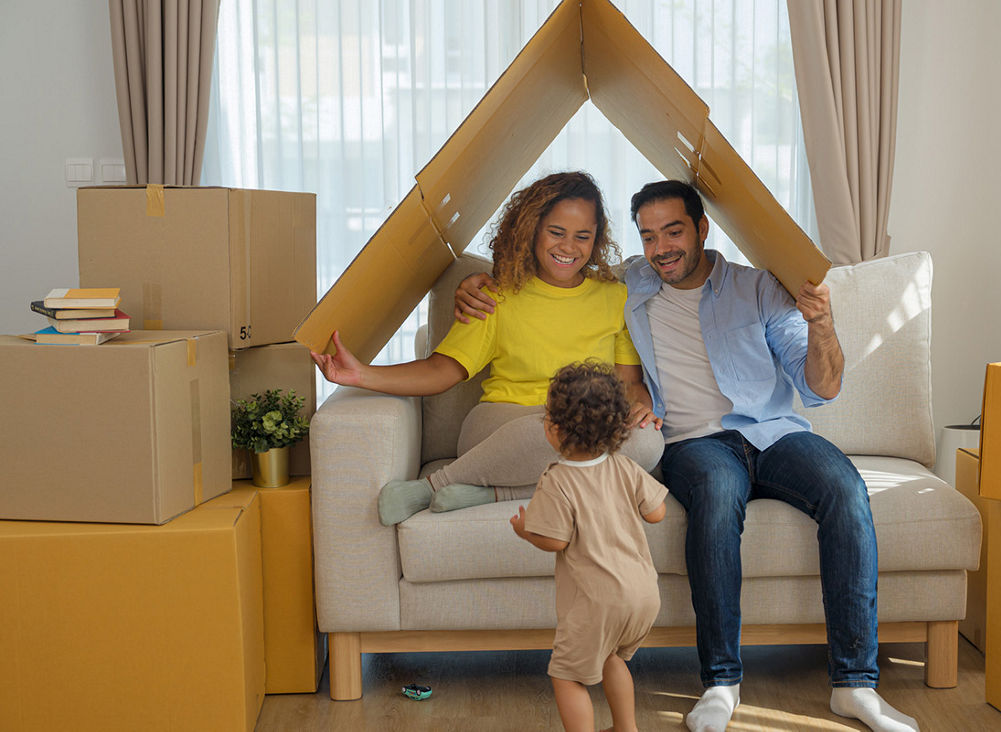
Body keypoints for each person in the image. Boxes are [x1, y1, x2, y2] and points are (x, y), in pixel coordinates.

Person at [455, 180, 918, 732]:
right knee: (718, 500)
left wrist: (821, 323)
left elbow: (823, 386)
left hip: (775, 434)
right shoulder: (630, 283)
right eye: (649, 236)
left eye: (673, 231)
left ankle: (855, 685)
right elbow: (559, 265)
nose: (661, 248)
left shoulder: (759, 288)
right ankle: (721, 683)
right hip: (692, 442)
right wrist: (474, 280)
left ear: (701, 228)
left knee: (845, 488)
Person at [312, 171, 664, 524]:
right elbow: (441, 370)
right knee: (555, 431)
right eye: (557, 233)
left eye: (582, 236)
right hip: (501, 429)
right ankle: (435, 486)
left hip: (579, 429)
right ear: (532, 230)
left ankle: (494, 493)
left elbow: (629, 382)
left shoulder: (615, 296)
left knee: (649, 444)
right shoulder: (493, 296)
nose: (568, 247)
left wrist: (641, 410)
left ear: (596, 240)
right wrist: (361, 374)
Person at [510, 361, 668, 732]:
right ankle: (625, 728)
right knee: (611, 657)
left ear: (555, 429)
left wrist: (525, 530)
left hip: (597, 602)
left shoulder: (557, 479)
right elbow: (657, 513)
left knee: (567, 676)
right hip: (643, 595)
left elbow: (555, 540)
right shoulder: (625, 467)